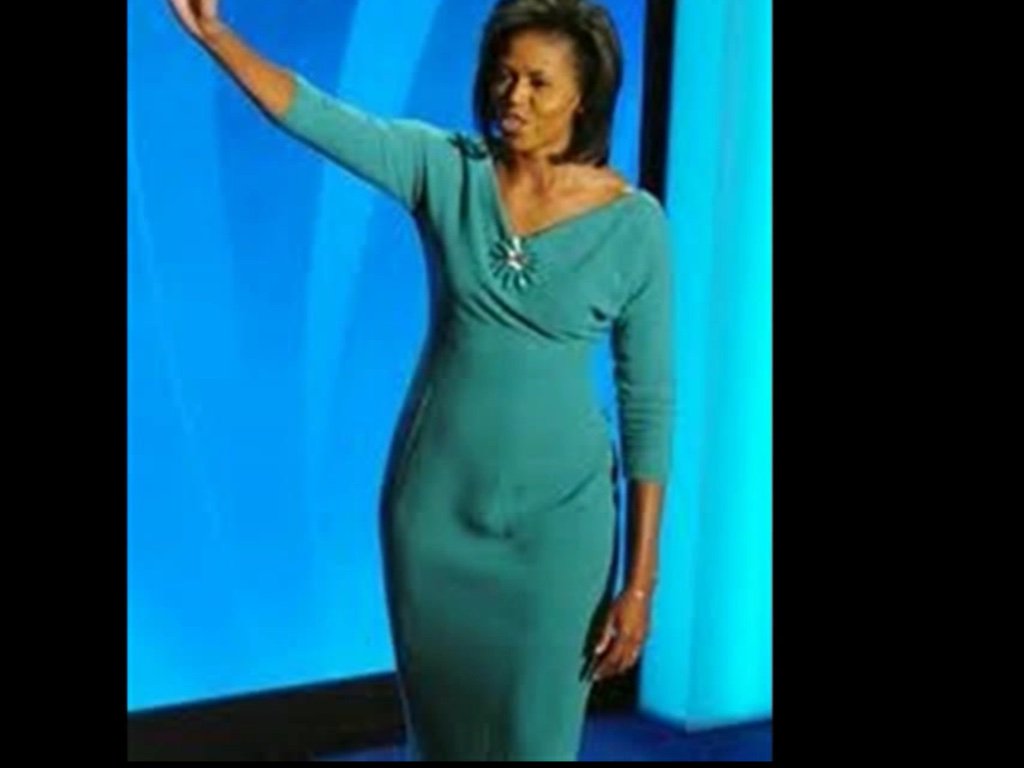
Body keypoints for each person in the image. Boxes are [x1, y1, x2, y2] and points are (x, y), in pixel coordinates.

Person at [167, 0, 675, 760]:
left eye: (538, 82)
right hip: (434, 518)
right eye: (503, 75)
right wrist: (217, 35)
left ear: (584, 96)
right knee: (441, 746)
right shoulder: (446, 169)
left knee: (537, 745)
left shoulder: (636, 227)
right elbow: (319, 118)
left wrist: (639, 584)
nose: (513, 96)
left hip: (560, 531)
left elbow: (650, 403)